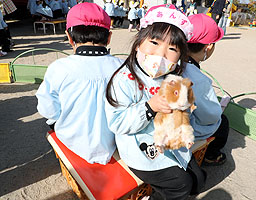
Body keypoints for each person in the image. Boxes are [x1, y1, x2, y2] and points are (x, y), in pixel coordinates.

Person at [105, 4, 206, 199]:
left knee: (198, 180)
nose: (161, 54)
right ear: (138, 44)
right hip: (139, 148)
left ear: (180, 57)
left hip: (168, 142)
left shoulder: (172, 76)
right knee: (180, 185)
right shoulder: (124, 79)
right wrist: (150, 107)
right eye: (154, 42)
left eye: (171, 48)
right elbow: (117, 122)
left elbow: (184, 115)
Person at [36, 2, 124, 165]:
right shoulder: (123, 66)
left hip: (72, 141)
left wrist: (56, 122)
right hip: (115, 142)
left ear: (69, 38)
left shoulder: (59, 68)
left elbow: (47, 107)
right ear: (109, 37)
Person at [186, 13, 229, 165]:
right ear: (208, 46)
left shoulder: (173, 61)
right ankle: (211, 155)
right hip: (185, 129)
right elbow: (210, 116)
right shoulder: (199, 79)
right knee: (223, 122)